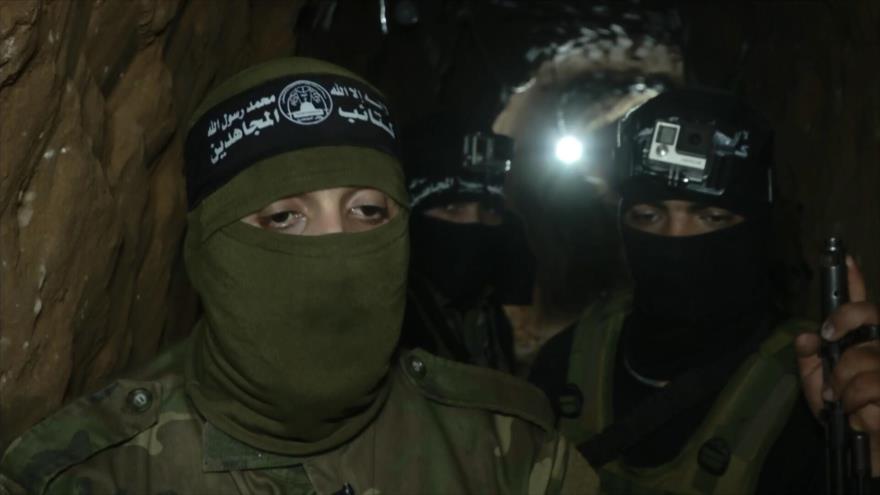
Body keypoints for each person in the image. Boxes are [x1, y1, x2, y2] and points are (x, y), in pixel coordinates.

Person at [0, 57, 598, 494]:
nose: (338, 249)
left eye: (368, 212)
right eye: (284, 216)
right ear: (209, 252)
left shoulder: (511, 453)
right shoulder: (84, 474)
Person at [528, 88, 880, 493]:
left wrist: (870, 457)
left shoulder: (813, 391)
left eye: (711, 217)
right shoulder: (567, 366)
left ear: (756, 230)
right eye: (648, 215)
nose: (675, 240)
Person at [399, 114, 536, 373]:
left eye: (489, 211)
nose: (475, 224)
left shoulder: (491, 318)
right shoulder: (391, 326)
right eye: (452, 208)